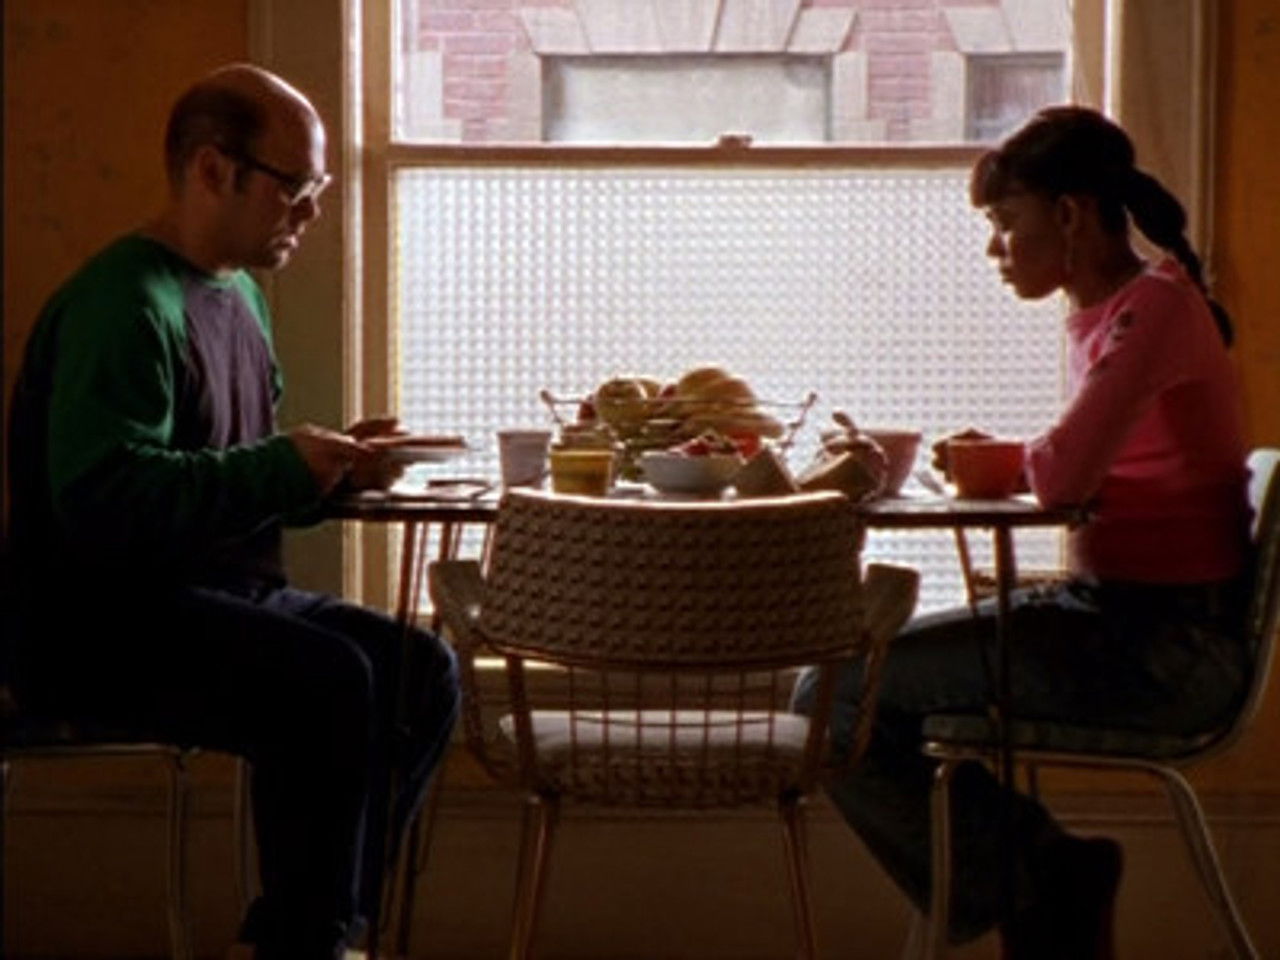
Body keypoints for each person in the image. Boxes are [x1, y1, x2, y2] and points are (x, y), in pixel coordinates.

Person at [5, 64, 459, 960]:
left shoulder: (240, 297)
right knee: (327, 681)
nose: (311, 212)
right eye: (296, 188)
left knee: (421, 672)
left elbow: (221, 476)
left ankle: (322, 931)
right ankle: (304, 941)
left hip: (216, 598)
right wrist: (281, 468)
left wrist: (332, 475)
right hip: (95, 621)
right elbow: (103, 502)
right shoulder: (122, 304)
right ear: (214, 170)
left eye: (318, 189)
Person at [794, 106, 1252, 959]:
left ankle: (1042, 878)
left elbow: (1066, 476)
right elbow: (1080, 464)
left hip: (1160, 649)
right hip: (1129, 624)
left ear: (1070, 214)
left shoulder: (1150, 311)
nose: (995, 248)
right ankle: (1040, 877)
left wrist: (1016, 459)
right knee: (842, 694)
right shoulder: (1124, 310)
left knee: (832, 698)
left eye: (1006, 222)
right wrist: (1009, 457)